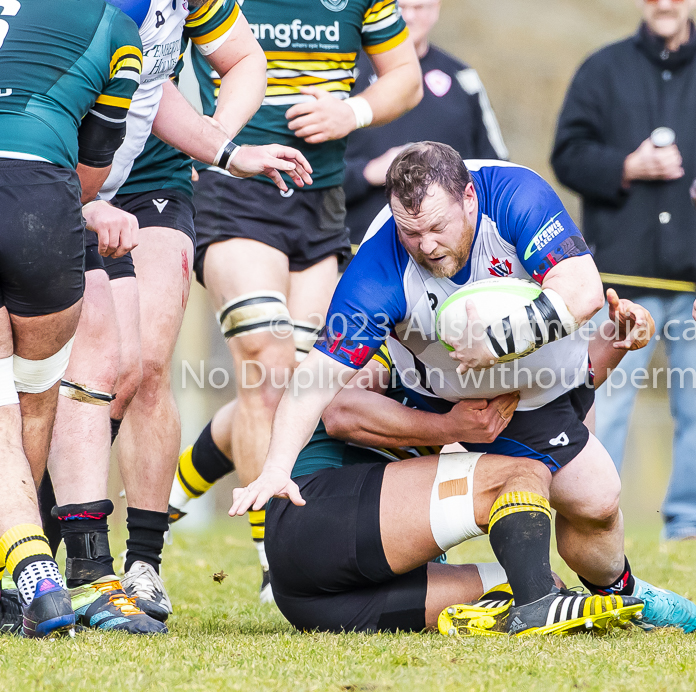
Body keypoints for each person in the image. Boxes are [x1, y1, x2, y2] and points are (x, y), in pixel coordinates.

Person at [231, 142, 696, 634]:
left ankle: (620, 591)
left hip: (533, 399)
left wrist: (506, 343)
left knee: (600, 500)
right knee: (518, 480)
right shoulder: (380, 266)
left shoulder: (515, 196)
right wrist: (276, 468)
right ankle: (538, 598)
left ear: (469, 197)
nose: (427, 244)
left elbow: (582, 291)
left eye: (438, 227)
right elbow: (319, 381)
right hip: (448, 403)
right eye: (411, 232)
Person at [40, 0, 313, 629]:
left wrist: (219, 140)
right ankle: (41, 552)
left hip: (152, 173)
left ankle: (141, 566)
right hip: (59, 164)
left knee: (143, 366)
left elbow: (235, 62)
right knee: (67, 374)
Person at [181, 0, 423, 602]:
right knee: (266, 357)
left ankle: (183, 483)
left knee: (307, 381)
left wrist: (352, 110)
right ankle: (274, 553)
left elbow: (406, 78)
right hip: (234, 195)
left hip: (318, 204)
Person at [252, 293, 655, 634]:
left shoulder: (491, 352)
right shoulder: (402, 335)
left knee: (537, 578)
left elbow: (559, 393)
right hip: (316, 521)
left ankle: (538, 597)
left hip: (317, 604)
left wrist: (616, 340)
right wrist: (446, 427)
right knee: (521, 473)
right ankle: (540, 606)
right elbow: (340, 410)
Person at [551, 0, 696, 540]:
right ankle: (591, 515)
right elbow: (566, 155)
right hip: (616, 288)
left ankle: (692, 527)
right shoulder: (601, 68)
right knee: (600, 409)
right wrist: (624, 166)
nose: (665, 3)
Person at [0, 0, 142, 637]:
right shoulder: (119, 32)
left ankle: (33, 575)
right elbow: (91, 171)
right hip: (44, 202)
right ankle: (20, 586)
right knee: (33, 399)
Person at [343, 0, 507, 245]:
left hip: (450, 254)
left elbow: (496, 169)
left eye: (419, 7)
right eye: (399, 7)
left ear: (436, 9)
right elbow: (305, 171)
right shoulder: (345, 73)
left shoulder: (463, 78)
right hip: (359, 248)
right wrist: (367, 172)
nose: (408, 16)